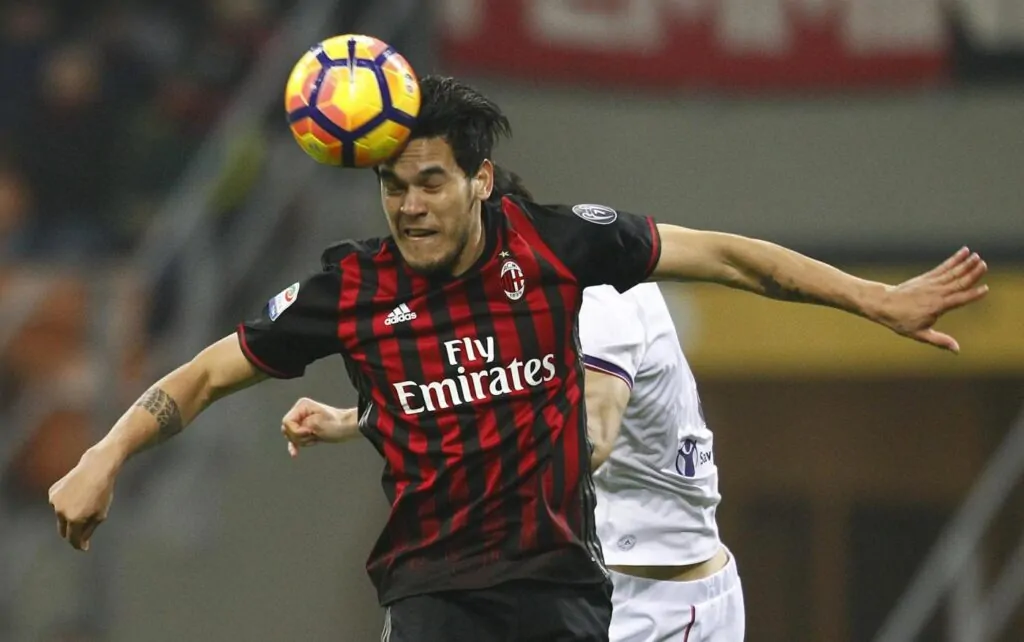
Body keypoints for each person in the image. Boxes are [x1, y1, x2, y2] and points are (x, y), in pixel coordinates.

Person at [48, 75, 989, 642]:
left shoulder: (555, 248)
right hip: (433, 596)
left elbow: (732, 258)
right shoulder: (353, 290)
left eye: (430, 182)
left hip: (562, 593)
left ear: (480, 181)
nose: (409, 205)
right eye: (392, 186)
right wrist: (105, 454)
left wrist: (876, 299)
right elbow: (206, 374)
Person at [280, 166, 744, 641]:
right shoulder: (511, 312)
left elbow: (591, 438)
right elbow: (497, 400)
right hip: (585, 587)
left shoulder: (597, 293)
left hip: (657, 604)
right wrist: (360, 418)